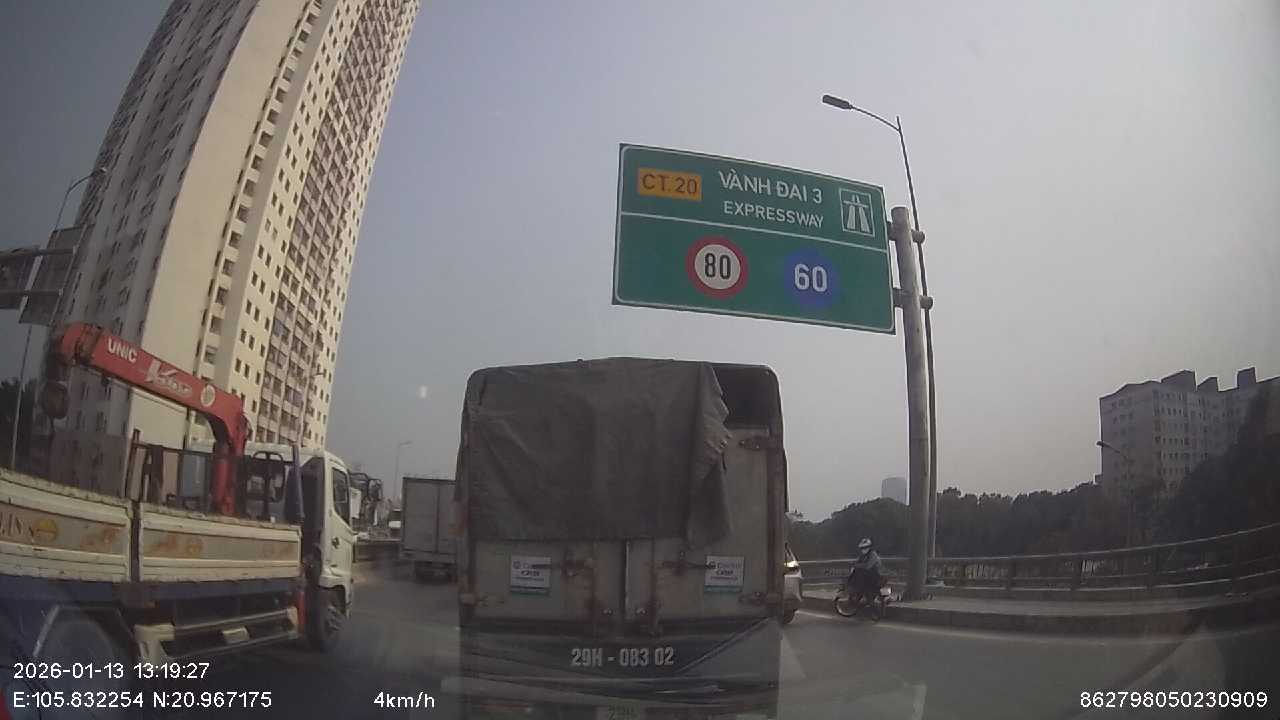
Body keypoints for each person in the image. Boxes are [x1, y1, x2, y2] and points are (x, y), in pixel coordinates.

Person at [847, 537, 882, 602]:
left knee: (860, 574)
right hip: (867, 574)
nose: (863, 549)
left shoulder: (873, 554)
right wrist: (852, 564)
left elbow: (868, 566)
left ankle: (863, 595)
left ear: (869, 547)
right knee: (855, 574)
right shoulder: (863, 555)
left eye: (865, 547)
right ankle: (855, 592)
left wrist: (856, 566)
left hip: (875, 575)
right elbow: (857, 561)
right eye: (862, 548)